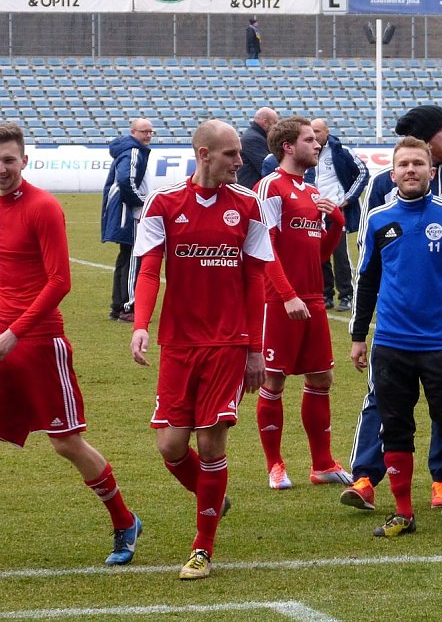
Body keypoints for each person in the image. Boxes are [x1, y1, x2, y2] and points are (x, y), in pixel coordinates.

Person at [130, 119, 273, 580]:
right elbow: (150, 271)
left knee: (211, 442)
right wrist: (140, 326)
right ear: (204, 153)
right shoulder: (165, 203)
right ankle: (212, 496)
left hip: (228, 344)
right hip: (178, 343)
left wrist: (255, 349)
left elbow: (256, 280)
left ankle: (202, 547)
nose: (240, 160)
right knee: (171, 445)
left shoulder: (248, 205)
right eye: (232, 154)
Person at [0, 122, 141, 566]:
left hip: (37, 342)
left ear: (24, 160)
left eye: (8, 160)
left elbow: (60, 281)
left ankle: (124, 521)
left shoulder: (43, 207)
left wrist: (14, 333)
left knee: (65, 442)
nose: (1, 168)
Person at [350, 136, 442, 537]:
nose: (410, 170)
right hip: (391, 344)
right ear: (392, 173)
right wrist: (359, 335)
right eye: (403, 165)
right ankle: (403, 512)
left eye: (418, 164)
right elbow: (367, 281)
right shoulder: (378, 217)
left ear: (432, 171)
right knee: (394, 427)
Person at [339, 105, 442, 513]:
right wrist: (360, 329)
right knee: (382, 398)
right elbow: (370, 261)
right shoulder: (382, 186)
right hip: (396, 324)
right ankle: (365, 477)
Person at [253, 116, 352, 491]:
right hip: (279, 301)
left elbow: (319, 256)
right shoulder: (270, 188)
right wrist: (287, 295)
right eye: (310, 140)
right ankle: (275, 464)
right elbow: (264, 249)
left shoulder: (311, 194)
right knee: (273, 379)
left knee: (322, 378)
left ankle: (322, 463)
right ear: (288, 147)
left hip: (311, 299)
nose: (317, 145)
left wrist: (338, 224)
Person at [305, 118, 369, 312]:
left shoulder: (342, 151)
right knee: (318, 254)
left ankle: (347, 294)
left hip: (334, 210)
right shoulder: (306, 151)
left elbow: (363, 173)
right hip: (313, 210)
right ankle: (325, 294)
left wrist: (348, 199)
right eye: (311, 131)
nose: (314, 135)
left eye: (318, 131)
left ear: (327, 132)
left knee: (340, 254)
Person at [101, 117, 154, 322]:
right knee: (134, 256)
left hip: (124, 212)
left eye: (150, 132)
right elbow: (126, 180)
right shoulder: (133, 151)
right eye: (144, 132)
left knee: (125, 258)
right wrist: (141, 202)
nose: (148, 135)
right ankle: (129, 307)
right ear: (133, 132)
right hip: (130, 213)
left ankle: (117, 306)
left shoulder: (130, 150)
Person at [237, 107, 278, 190]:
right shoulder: (253, 139)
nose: (276, 127)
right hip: (250, 190)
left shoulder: (256, 137)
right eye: (274, 123)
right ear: (265, 122)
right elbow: (267, 167)